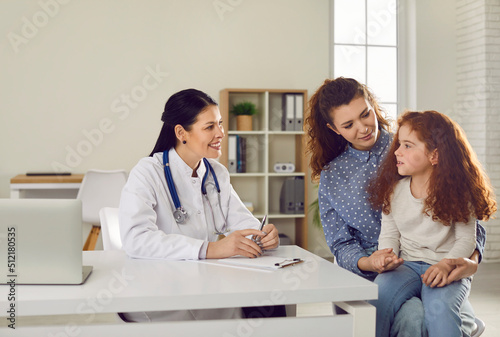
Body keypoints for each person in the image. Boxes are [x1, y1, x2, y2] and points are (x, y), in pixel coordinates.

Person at [305, 77, 487, 336]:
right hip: (372, 271)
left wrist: (470, 261)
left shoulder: (409, 146)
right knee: (413, 317)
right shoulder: (333, 175)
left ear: (372, 105)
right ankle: (465, 321)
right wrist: (369, 262)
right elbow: (340, 242)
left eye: (365, 114)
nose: (363, 128)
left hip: (433, 261)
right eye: (348, 124)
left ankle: (464, 319)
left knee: (434, 313)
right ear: (334, 129)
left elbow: (464, 216)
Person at [118, 88, 280, 322]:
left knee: (273, 301)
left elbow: (243, 223)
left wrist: (262, 235)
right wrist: (212, 249)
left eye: (220, 124)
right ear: (181, 132)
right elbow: (136, 239)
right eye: (209, 127)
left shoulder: (216, 174)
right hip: (159, 291)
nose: (221, 133)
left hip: (205, 284)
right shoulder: (148, 172)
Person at [368, 110, 496, 337]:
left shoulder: (459, 194)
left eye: (408, 145)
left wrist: (446, 264)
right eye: (399, 144)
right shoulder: (393, 192)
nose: (397, 151)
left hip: (445, 267)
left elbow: (467, 239)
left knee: (441, 312)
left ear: (434, 156)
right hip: (404, 265)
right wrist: (386, 254)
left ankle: (465, 324)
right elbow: (390, 234)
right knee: (377, 301)